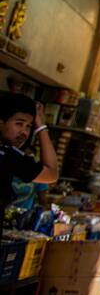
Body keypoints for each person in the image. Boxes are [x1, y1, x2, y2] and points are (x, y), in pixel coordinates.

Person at [1, 93, 58, 233]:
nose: (24, 132)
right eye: (19, 124)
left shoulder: (9, 154)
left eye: (28, 126)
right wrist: (41, 128)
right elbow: (51, 173)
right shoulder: (8, 155)